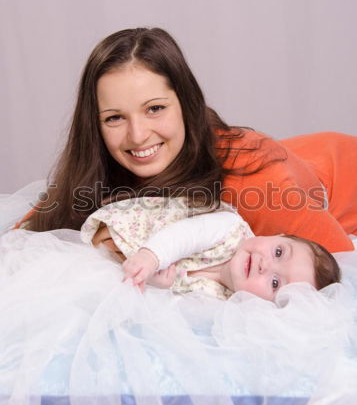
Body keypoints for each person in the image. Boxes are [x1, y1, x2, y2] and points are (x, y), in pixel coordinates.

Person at [15, 27, 357, 253]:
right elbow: (29, 237)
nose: (137, 136)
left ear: (187, 104)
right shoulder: (101, 163)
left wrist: (147, 244)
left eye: (155, 109)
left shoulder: (254, 182)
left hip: (345, 172)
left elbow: (339, 271)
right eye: (115, 118)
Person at [80, 196, 341, 301]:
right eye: (279, 252)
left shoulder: (224, 301)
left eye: (275, 282)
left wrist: (160, 284)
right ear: (278, 235)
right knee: (89, 259)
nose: (265, 265)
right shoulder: (231, 229)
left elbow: (179, 300)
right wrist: (152, 256)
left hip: (135, 272)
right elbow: (185, 236)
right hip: (138, 234)